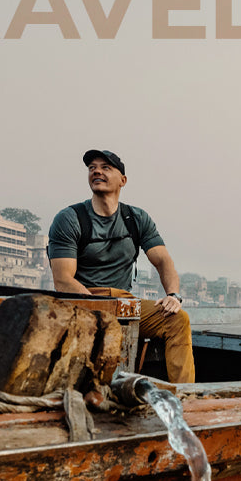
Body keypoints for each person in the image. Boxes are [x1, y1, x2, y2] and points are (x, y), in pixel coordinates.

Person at [47, 149, 194, 383]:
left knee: (178, 319)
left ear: (122, 180)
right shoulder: (70, 218)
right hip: (85, 300)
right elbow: (63, 279)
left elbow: (163, 260)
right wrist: (96, 310)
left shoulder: (136, 218)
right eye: (92, 167)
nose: (96, 171)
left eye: (106, 167)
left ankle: (185, 396)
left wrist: (173, 295)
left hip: (125, 302)